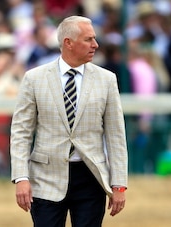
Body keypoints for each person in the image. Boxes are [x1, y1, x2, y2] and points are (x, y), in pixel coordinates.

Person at [10, 15, 128, 227]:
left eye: (95, 39)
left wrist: (119, 184)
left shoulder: (107, 80)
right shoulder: (34, 78)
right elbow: (21, 132)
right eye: (88, 39)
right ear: (68, 43)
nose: (96, 44)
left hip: (91, 178)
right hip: (45, 177)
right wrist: (21, 178)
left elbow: (116, 136)